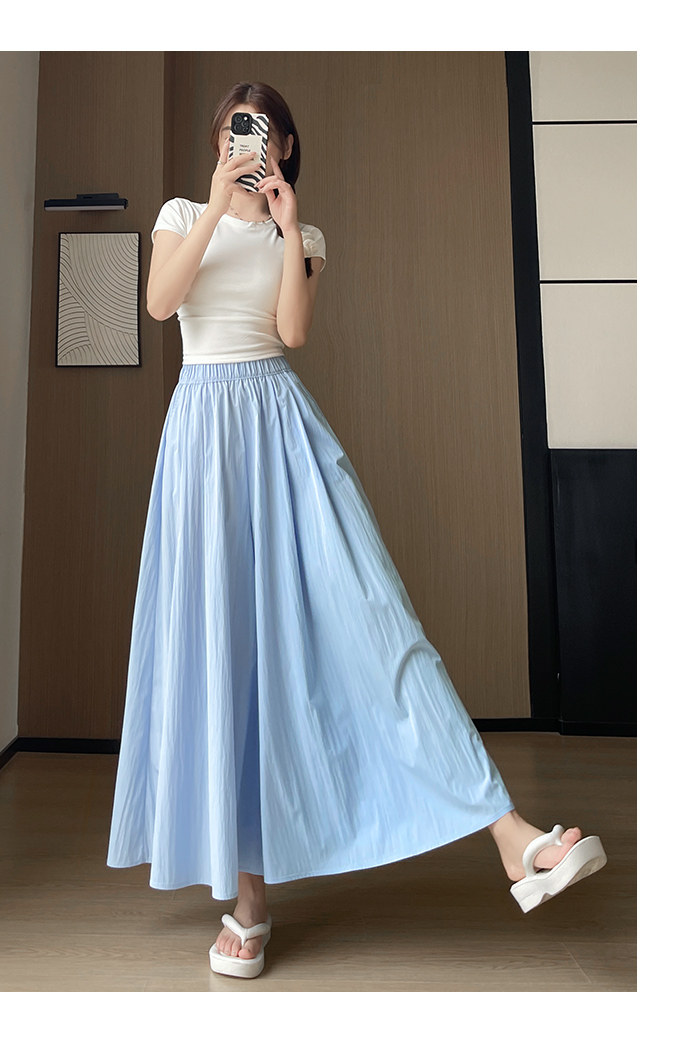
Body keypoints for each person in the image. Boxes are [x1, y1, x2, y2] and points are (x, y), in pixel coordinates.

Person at [106, 81, 607, 979]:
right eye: (233, 132)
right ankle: (249, 902)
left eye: (261, 134)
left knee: (381, 630)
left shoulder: (304, 237)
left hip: (283, 435)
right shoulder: (182, 213)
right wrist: (218, 204)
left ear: (286, 148)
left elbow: (291, 332)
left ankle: (511, 837)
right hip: (204, 449)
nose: (246, 145)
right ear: (219, 143)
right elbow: (160, 304)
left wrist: (288, 226)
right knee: (227, 658)